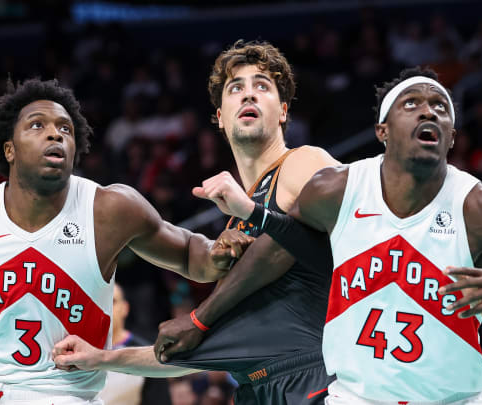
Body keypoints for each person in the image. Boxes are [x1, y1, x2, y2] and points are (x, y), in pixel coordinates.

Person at [154, 67, 482, 405]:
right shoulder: (336, 190)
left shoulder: (480, 208)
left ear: (452, 136)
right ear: (382, 132)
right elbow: (280, 250)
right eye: (412, 104)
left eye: (440, 107)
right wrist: (200, 318)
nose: (429, 111)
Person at [0, 78, 252, 405]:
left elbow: (190, 253)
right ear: (9, 149)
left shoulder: (109, 208)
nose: (55, 134)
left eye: (65, 128)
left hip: (69, 396)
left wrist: (215, 252)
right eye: (38, 126)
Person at [53, 40, 340, 404]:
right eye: (236, 88)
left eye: (261, 87)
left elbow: (347, 230)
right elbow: (194, 347)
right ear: (220, 116)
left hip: (316, 378)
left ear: (283, 112)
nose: (248, 95)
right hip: (258, 390)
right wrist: (100, 357)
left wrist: (200, 317)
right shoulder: (234, 232)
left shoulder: (303, 162)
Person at [98, 283, 171, 405]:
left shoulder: (148, 356)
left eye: (112, 301)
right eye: (99, 302)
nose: (105, 308)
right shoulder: (71, 348)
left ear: (125, 308)